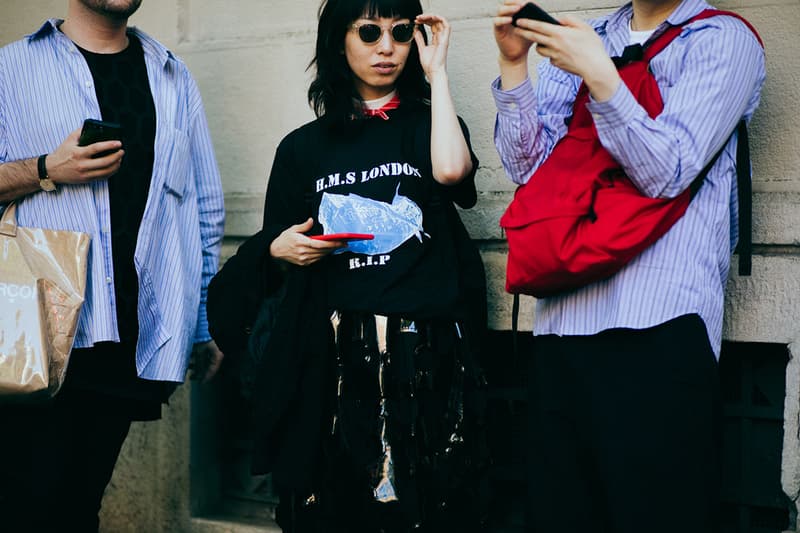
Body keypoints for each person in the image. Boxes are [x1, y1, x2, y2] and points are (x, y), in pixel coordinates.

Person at [207, 0, 487, 531]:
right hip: (332, 363)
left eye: (401, 32)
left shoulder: (432, 124)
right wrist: (278, 249)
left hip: (424, 356)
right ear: (340, 41)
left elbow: (452, 173)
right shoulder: (302, 148)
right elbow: (274, 246)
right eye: (369, 31)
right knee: (338, 511)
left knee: (425, 510)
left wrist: (439, 73)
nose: (387, 47)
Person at [491, 0, 764, 531]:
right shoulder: (582, 35)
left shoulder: (722, 40)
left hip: (660, 325)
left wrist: (599, 74)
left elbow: (667, 170)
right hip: (562, 324)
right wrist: (513, 66)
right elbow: (528, 169)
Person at [0, 1, 225, 531]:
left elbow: (203, 205)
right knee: (23, 507)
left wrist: (203, 320)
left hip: (126, 339)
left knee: (78, 507)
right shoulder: (12, 67)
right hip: (33, 332)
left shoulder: (171, 74)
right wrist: (45, 169)